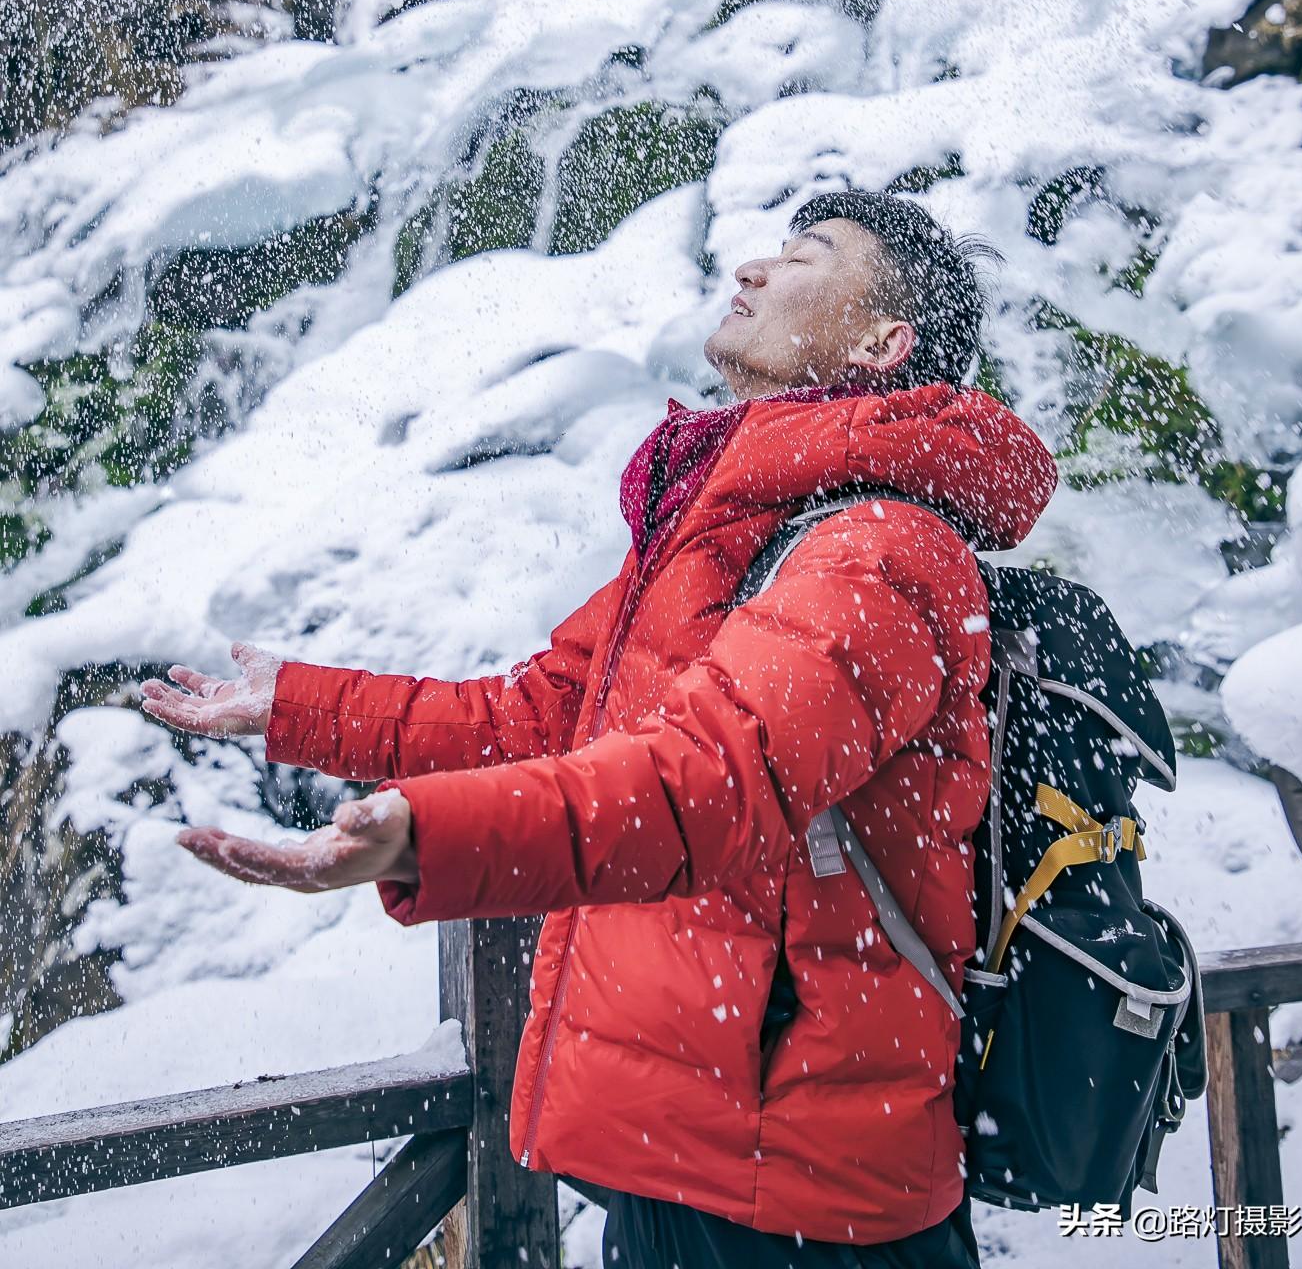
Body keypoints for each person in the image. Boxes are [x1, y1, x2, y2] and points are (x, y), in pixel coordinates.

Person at [140, 188, 1058, 1268]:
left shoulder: (879, 551)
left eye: (804, 255)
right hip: (694, 1149)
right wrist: (299, 704)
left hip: (793, 1190)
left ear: (878, 341)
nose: (752, 270)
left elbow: (705, 784)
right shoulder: (726, 534)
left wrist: (426, 836)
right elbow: (535, 717)